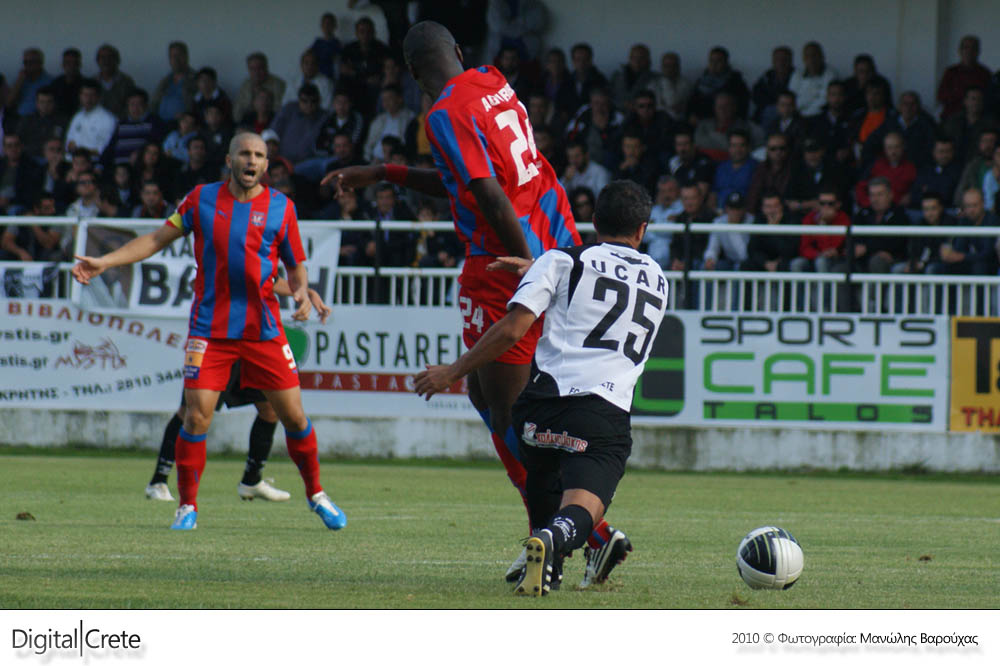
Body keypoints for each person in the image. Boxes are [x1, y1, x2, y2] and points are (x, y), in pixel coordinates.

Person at [323, 22, 634, 586]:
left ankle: (568, 539)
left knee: (513, 417)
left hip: (504, 263)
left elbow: (487, 193)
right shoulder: (492, 82)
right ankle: (578, 531)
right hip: (555, 238)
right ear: (459, 53)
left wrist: (529, 269)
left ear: (412, 72)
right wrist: (384, 172)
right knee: (488, 398)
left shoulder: (443, 113)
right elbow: (469, 179)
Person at [72, 132, 346, 531]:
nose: (251, 161)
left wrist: (302, 292)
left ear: (266, 164)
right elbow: (156, 239)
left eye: (259, 155)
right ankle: (187, 506)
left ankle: (316, 494)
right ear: (230, 160)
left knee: (293, 416)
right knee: (197, 417)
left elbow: (295, 266)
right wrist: (106, 262)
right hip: (210, 331)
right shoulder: (200, 199)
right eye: (244, 154)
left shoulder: (281, 207)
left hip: (264, 331)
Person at [414, 180, 668, 596]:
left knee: (541, 470)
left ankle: (549, 563)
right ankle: (552, 540)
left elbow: (514, 328)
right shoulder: (658, 279)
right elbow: (605, 286)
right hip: (600, 413)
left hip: (539, 410)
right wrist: (539, 267)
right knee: (583, 508)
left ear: (593, 221)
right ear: (642, 229)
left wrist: (453, 371)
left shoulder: (559, 260)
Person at [146, 283, 331, 502]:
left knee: (270, 409)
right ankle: (159, 481)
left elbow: (268, 277)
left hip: (254, 339)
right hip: (219, 338)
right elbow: (203, 280)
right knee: (192, 414)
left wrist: (302, 291)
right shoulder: (215, 262)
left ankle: (251, 480)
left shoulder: (262, 263)